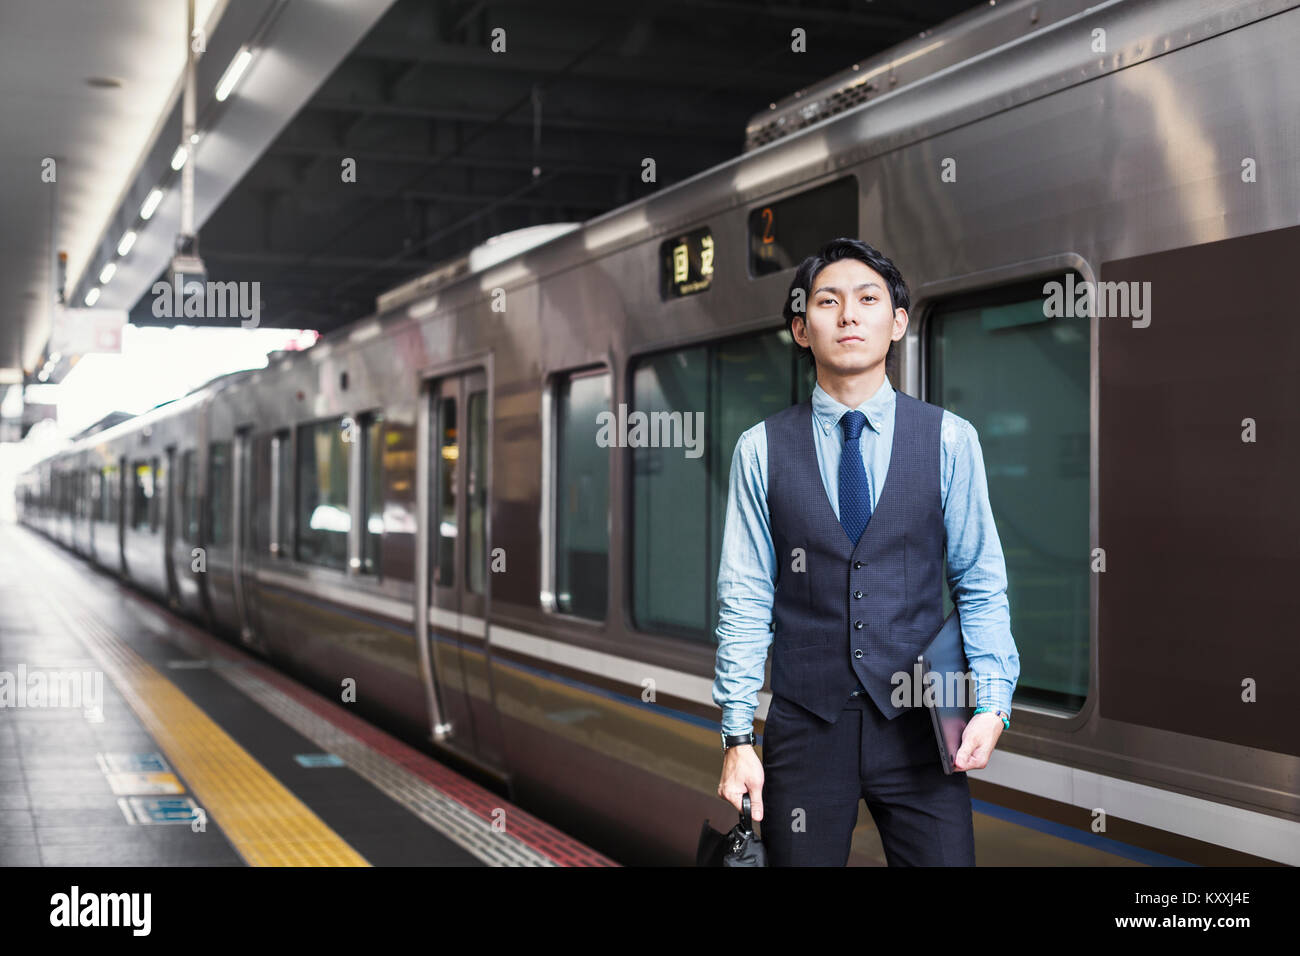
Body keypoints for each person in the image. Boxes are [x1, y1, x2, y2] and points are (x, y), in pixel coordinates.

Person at [712, 237, 1020, 866]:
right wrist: (738, 734)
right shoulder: (761, 449)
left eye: (868, 299)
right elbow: (745, 596)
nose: (848, 315)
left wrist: (993, 702)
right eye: (828, 301)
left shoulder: (949, 440)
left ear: (897, 323)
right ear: (802, 328)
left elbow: (980, 581)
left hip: (921, 728)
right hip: (804, 727)